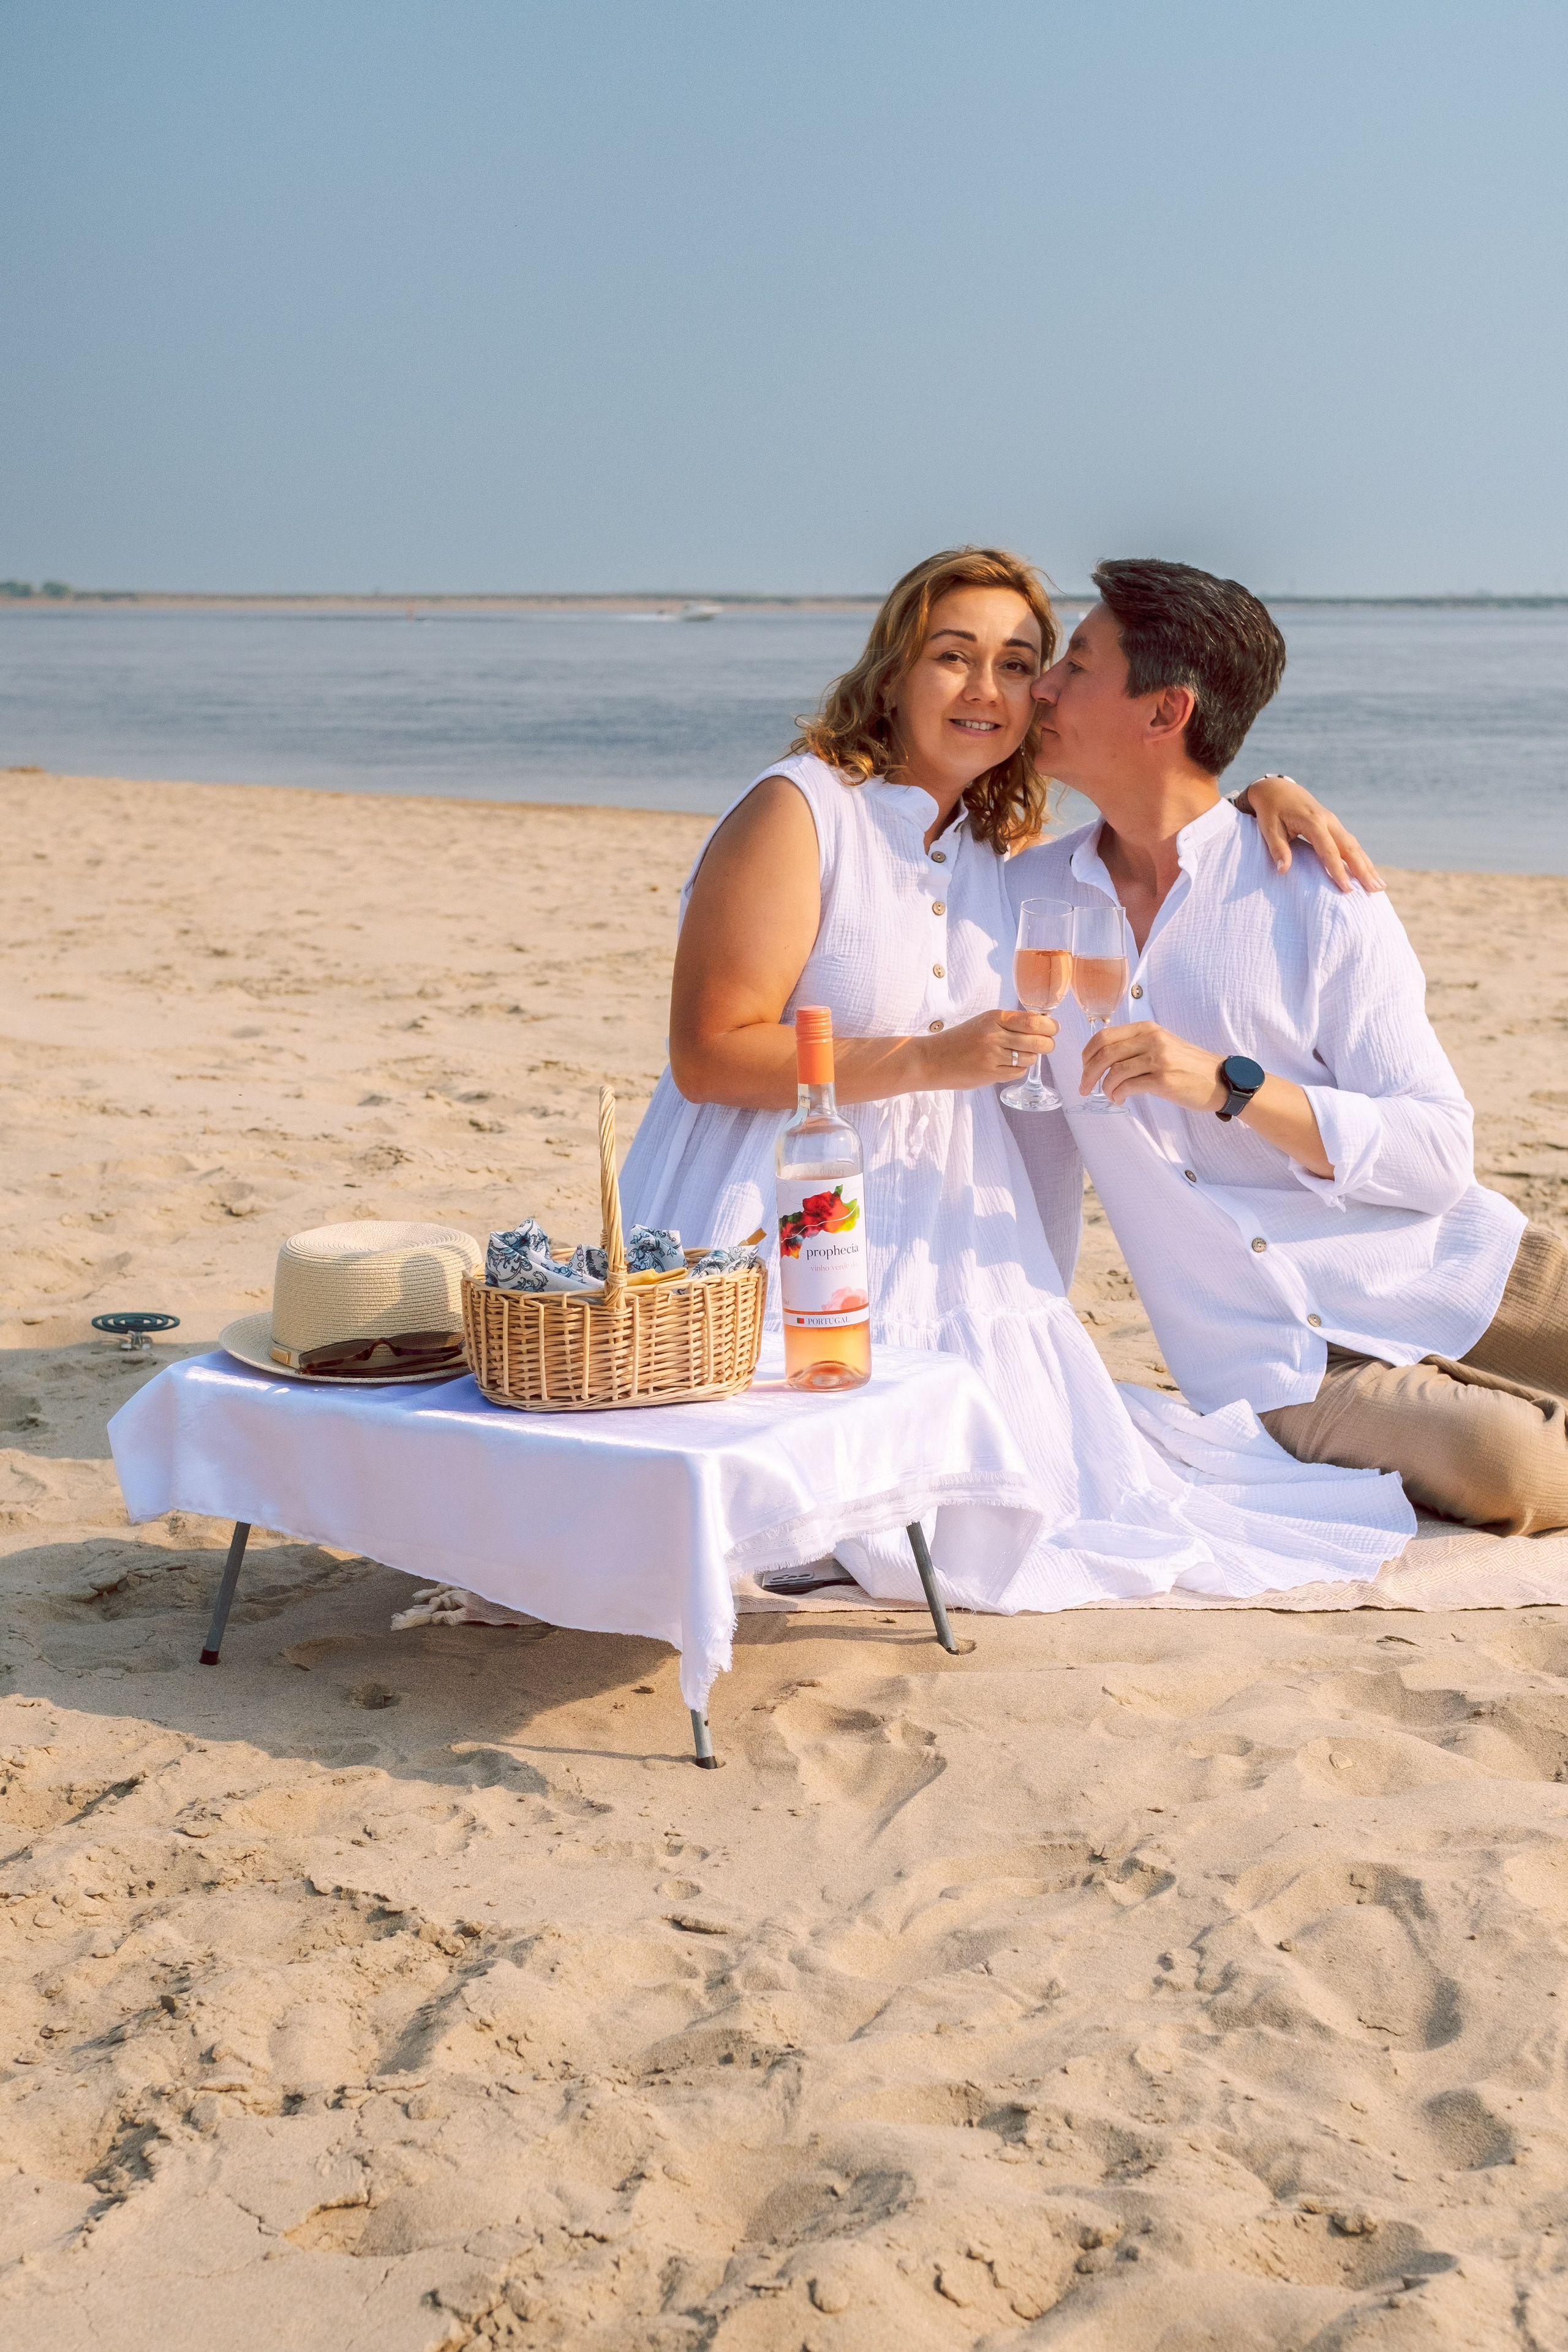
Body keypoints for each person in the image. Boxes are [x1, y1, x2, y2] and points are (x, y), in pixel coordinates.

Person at [620, 546, 1414, 1607]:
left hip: (953, 1230)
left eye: (1023, 661)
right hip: (774, 1196)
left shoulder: (1003, 853)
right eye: (954, 656)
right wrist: (932, 1061)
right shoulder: (800, 809)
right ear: (894, 670)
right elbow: (710, 1054)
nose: (991, 689)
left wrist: (1265, 789)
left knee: (1053, 1486)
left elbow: (1163, 810)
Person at [1011, 556, 1567, 1537]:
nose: (1042, 687)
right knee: (1508, 1468)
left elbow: (1438, 1154)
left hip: (1459, 1268)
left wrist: (1231, 1087)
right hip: (1273, 1360)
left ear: (1164, 712)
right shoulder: (1020, 906)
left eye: (1078, 665)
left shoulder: (1314, 887)